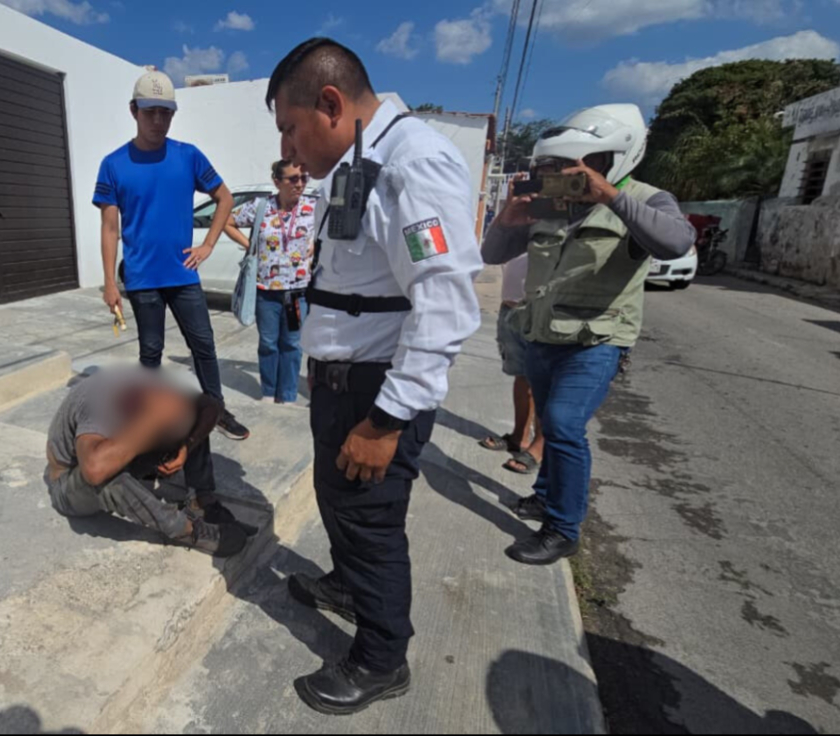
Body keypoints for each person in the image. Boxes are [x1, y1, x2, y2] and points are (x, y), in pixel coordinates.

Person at [265, 39, 483, 715]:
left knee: (371, 521)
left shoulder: (411, 164)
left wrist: (385, 422)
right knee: (339, 503)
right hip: (343, 382)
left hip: (376, 393)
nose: (288, 149)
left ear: (330, 104)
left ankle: (382, 659)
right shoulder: (359, 162)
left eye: (291, 128)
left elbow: (444, 304)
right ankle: (349, 586)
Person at [482, 104, 696, 566]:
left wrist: (609, 196)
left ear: (611, 160)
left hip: (596, 342)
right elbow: (492, 254)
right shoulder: (549, 205)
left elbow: (677, 243)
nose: (563, 175)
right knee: (549, 423)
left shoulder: (646, 199)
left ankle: (563, 529)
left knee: (563, 425)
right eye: (554, 166)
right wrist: (507, 219)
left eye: (575, 166)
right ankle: (544, 496)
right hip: (541, 334)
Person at [94, 71, 251, 441]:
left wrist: (208, 245)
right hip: (142, 277)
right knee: (151, 351)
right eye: (150, 111)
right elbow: (110, 229)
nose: (158, 120)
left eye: (165, 112)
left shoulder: (187, 156)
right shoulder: (113, 164)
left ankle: (215, 409)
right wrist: (109, 283)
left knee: (203, 345)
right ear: (134, 111)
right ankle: (148, 414)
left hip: (182, 274)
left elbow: (225, 198)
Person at [45, 368, 249, 557]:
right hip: (69, 484)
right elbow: (93, 470)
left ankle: (200, 500)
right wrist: (152, 420)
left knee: (190, 419)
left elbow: (211, 407)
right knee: (110, 477)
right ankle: (187, 530)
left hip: (126, 436)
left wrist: (186, 446)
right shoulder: (98, 402)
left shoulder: (156, 387)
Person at [223, 159, 317, 404]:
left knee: (292, 344)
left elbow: (332, 232)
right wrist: (250, 246)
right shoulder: (261, 206)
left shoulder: (313, 207)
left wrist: (318, 246)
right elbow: (226, 221)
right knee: (268, 343)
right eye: (293, 179)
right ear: (277, 182)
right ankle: (268, 392)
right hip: (266, 291)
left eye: (303, 178)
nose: (300, 184)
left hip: (296, 292)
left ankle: (287, 395)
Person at [479, 252, 545, 475]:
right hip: (511, 307)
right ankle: (519, 437)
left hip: (540, 311)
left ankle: (539, 447)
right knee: (521, 376)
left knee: (543, 381)